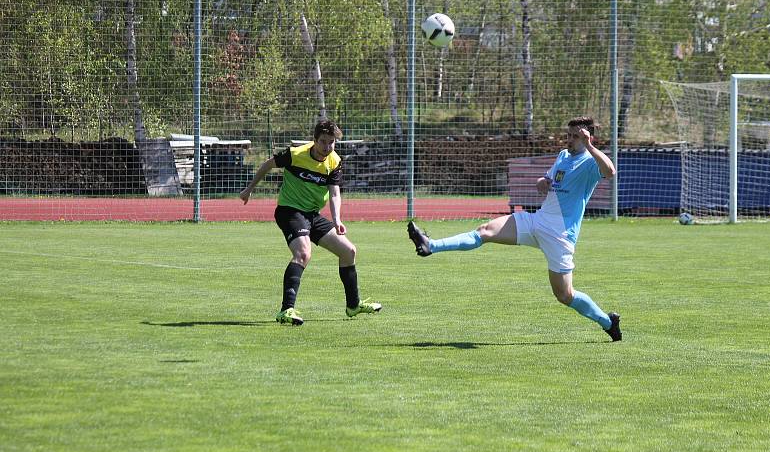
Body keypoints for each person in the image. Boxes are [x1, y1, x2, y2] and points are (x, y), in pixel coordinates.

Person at [407, 116, 621, 341]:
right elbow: (548, 179)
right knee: (485, 231)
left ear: (588, 138)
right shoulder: (563, 156)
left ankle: (608, 322)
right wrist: (542, 181)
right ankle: (430, 245)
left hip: (560, 236)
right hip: (537, 221)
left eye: (575, 136)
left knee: (565, 295)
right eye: (568, 135)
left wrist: (589, 146)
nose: (569, 140)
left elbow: (610, 172)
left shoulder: (590, 161)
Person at [240, 119, 381, 326]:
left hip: (312, 215)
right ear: (314, 140)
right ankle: (286, 310)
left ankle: (353, 305)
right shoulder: (295, 155)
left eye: (331, 142)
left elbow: (334, 194)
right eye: (323, 141)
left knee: (348, 251)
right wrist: (249, 188)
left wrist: (337, 219)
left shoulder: (334, 161)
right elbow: (268, 164)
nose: (327, 147)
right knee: (303, 253)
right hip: (290, 211)